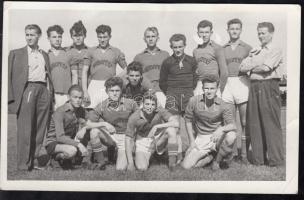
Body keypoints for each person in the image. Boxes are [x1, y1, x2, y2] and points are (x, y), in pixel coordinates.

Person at [8, 24, 54, 171]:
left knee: (40, 128)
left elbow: (48, 75)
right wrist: (11, 98)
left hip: (43, 90)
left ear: (39, 36)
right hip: (28, 88)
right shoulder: (16, 53)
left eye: (32, 34)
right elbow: (8, 77)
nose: (29, 37)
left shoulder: (44, 54)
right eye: (27, 34)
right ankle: (23, 165)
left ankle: (33, 162)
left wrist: (49, 93)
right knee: (25, 128)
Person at [239, 22, 284, 167]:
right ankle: (259, 159)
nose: (260, 36)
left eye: (263, 33)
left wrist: (251, 67)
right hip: (254, 86)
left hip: (269, 86)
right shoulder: (256, 50)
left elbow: (266, 68)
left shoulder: (275, 49)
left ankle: (275, 160)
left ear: (271, 33)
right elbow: (241, 67)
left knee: (271, 123)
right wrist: (254, 65)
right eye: (259, 33)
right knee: (255, 123)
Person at [181, 75, 237, 170]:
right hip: (201, 137)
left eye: (212, 88)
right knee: (186, 166)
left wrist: (221, 129)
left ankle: (217, 161)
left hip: (217, 138)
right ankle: (210, 157)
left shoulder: (223, 104)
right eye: (206, 88)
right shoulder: (194, 101)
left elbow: (233, 125)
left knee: (231, 136)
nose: (209, 91)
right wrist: (191, 141)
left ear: (217, 89)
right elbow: (188, 120)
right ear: (202, 88)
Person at [88, 77, 138, 170]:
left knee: (120, 168)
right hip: (111, 136)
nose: (114, 93)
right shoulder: (102, 105)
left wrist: (134, 135)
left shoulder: (130, 103)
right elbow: (88, 124)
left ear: (121, 91)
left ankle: (118, 154)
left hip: (125, 137)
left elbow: (140, 118)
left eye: (117, 90)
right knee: (94, 132)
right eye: (111, 91)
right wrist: (104, 124)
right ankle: (101, 162)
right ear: (107, 91)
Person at [221, 18, 252, 163]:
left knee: (245, 122)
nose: (234, 31)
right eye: (231, 28)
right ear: (227, 30)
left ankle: (244, 154)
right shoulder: (222, 48)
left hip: (242, 82)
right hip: (228, 84)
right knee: (230, 121)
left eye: (237, 28)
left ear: (241, 30)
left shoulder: (247, 47)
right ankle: (230, 154)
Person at [125, 92, 180, 171]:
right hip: (143, 142)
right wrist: (130, 163)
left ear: (156, 106)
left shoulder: (159, 110)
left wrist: (157, 126)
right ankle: (153, 156)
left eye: (152, 105)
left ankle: (172, 164)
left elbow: (176, 123)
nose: (150, 107)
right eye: (147, 104)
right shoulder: (134, 117)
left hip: (157, 139)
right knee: (142, 168)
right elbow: (128, 138)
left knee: (171, 130)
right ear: (142, 105)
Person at [45, 85, 90, 169]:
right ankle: (55, 158)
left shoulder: (81, 110)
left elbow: (89, 123)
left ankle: (76, 160)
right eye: (75, 97)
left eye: (80, 98)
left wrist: (84, 128)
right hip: (54, 142)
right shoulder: (60, 111)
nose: (78, 100)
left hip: (68, 140)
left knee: (88, 132)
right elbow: (60, 137)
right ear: (69, 97)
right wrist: (79, 144)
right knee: (72, 150)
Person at [82, 24, 128, 109]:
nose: (102, 40)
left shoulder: (116, 51)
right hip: (94, 84)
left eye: (105, 37)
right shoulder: (91, 51)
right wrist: (85, 91)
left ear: (110, 37)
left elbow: (127, 69)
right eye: (100, 37)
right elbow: (84, 71)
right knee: (91, 111)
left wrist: (116, 78)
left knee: (108, 110)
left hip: (109, 85)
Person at [133, 27, 170, 107]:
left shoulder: (165, 55)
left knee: (163, 116)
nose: (150, 39)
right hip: (145, 92)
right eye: (148, 37)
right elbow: (133, 75)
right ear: (144, 39)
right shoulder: (139, 57)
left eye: (153, 36)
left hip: (162, 92)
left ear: (158, 38)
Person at [193, 20, 228, 96]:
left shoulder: (217, 48)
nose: (204, 35)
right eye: (201, 32)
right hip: (200, 85)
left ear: (211, 33)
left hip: (214, 85)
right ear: (198, 33)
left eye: (206, 32)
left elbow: (224, 72)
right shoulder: (195, 51)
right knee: (198, 107)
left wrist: (220, 89)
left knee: (214, 107)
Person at [47, 25, 76, 109]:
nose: (57, 39)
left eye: (59, 37)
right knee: (53, 120)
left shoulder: (68, 53)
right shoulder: (46, 55)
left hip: (66, 94)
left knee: (68, 119)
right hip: (52, 95)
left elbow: (74, 74)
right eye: (54, 37)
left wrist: (73, 92)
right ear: (48, 38)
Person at [67, 21, 90, 89]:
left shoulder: (90, 51)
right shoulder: (66, 52)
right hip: (71, 89)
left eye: (80, 35)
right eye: (75, 35)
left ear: (84, 36)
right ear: (71, 36)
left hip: (88, 89)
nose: (78, 38)